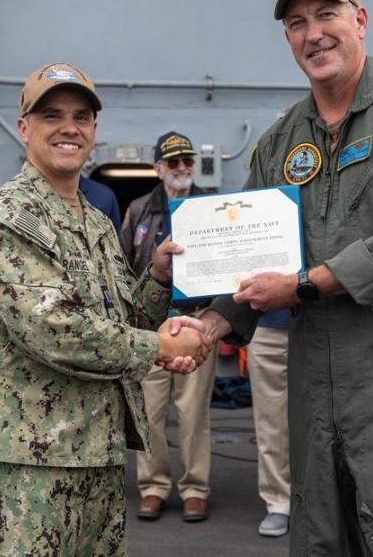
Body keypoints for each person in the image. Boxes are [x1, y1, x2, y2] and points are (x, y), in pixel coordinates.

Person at [175, 0, 373, 554]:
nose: (313, 34)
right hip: (316, 388)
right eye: (296, 23)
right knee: (321, 536)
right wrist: (207, 325)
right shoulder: (279, 142)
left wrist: (305, 285)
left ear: (360, 20)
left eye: (326, 15)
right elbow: (251, 262)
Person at [0, 62, 210, 556]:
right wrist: (159, 346)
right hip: (24, 462)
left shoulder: (95, 222)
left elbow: (119, 322)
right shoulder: (9, 216)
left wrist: (157, 279)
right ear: (24, 127)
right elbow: (52, 329)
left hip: (95, 453)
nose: (69, 128)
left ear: (94, 129)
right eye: (52, 115)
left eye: (81, 117)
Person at [118, 131, 217, 523]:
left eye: (187, 161)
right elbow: (123, 266)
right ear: (158, 168)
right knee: (149, 413)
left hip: (196, 320)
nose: (182, 168)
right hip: (151, 327)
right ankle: (153, 487)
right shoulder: (139, 209)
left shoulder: (211, 207)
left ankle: (195, 489)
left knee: (194, 414)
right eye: (173, 162)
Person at [246, 311, 291, 538]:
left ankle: (325, 500)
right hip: (267, 322)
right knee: (270, 419)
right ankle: (278, 501)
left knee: (325, 415)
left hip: (327, 320)